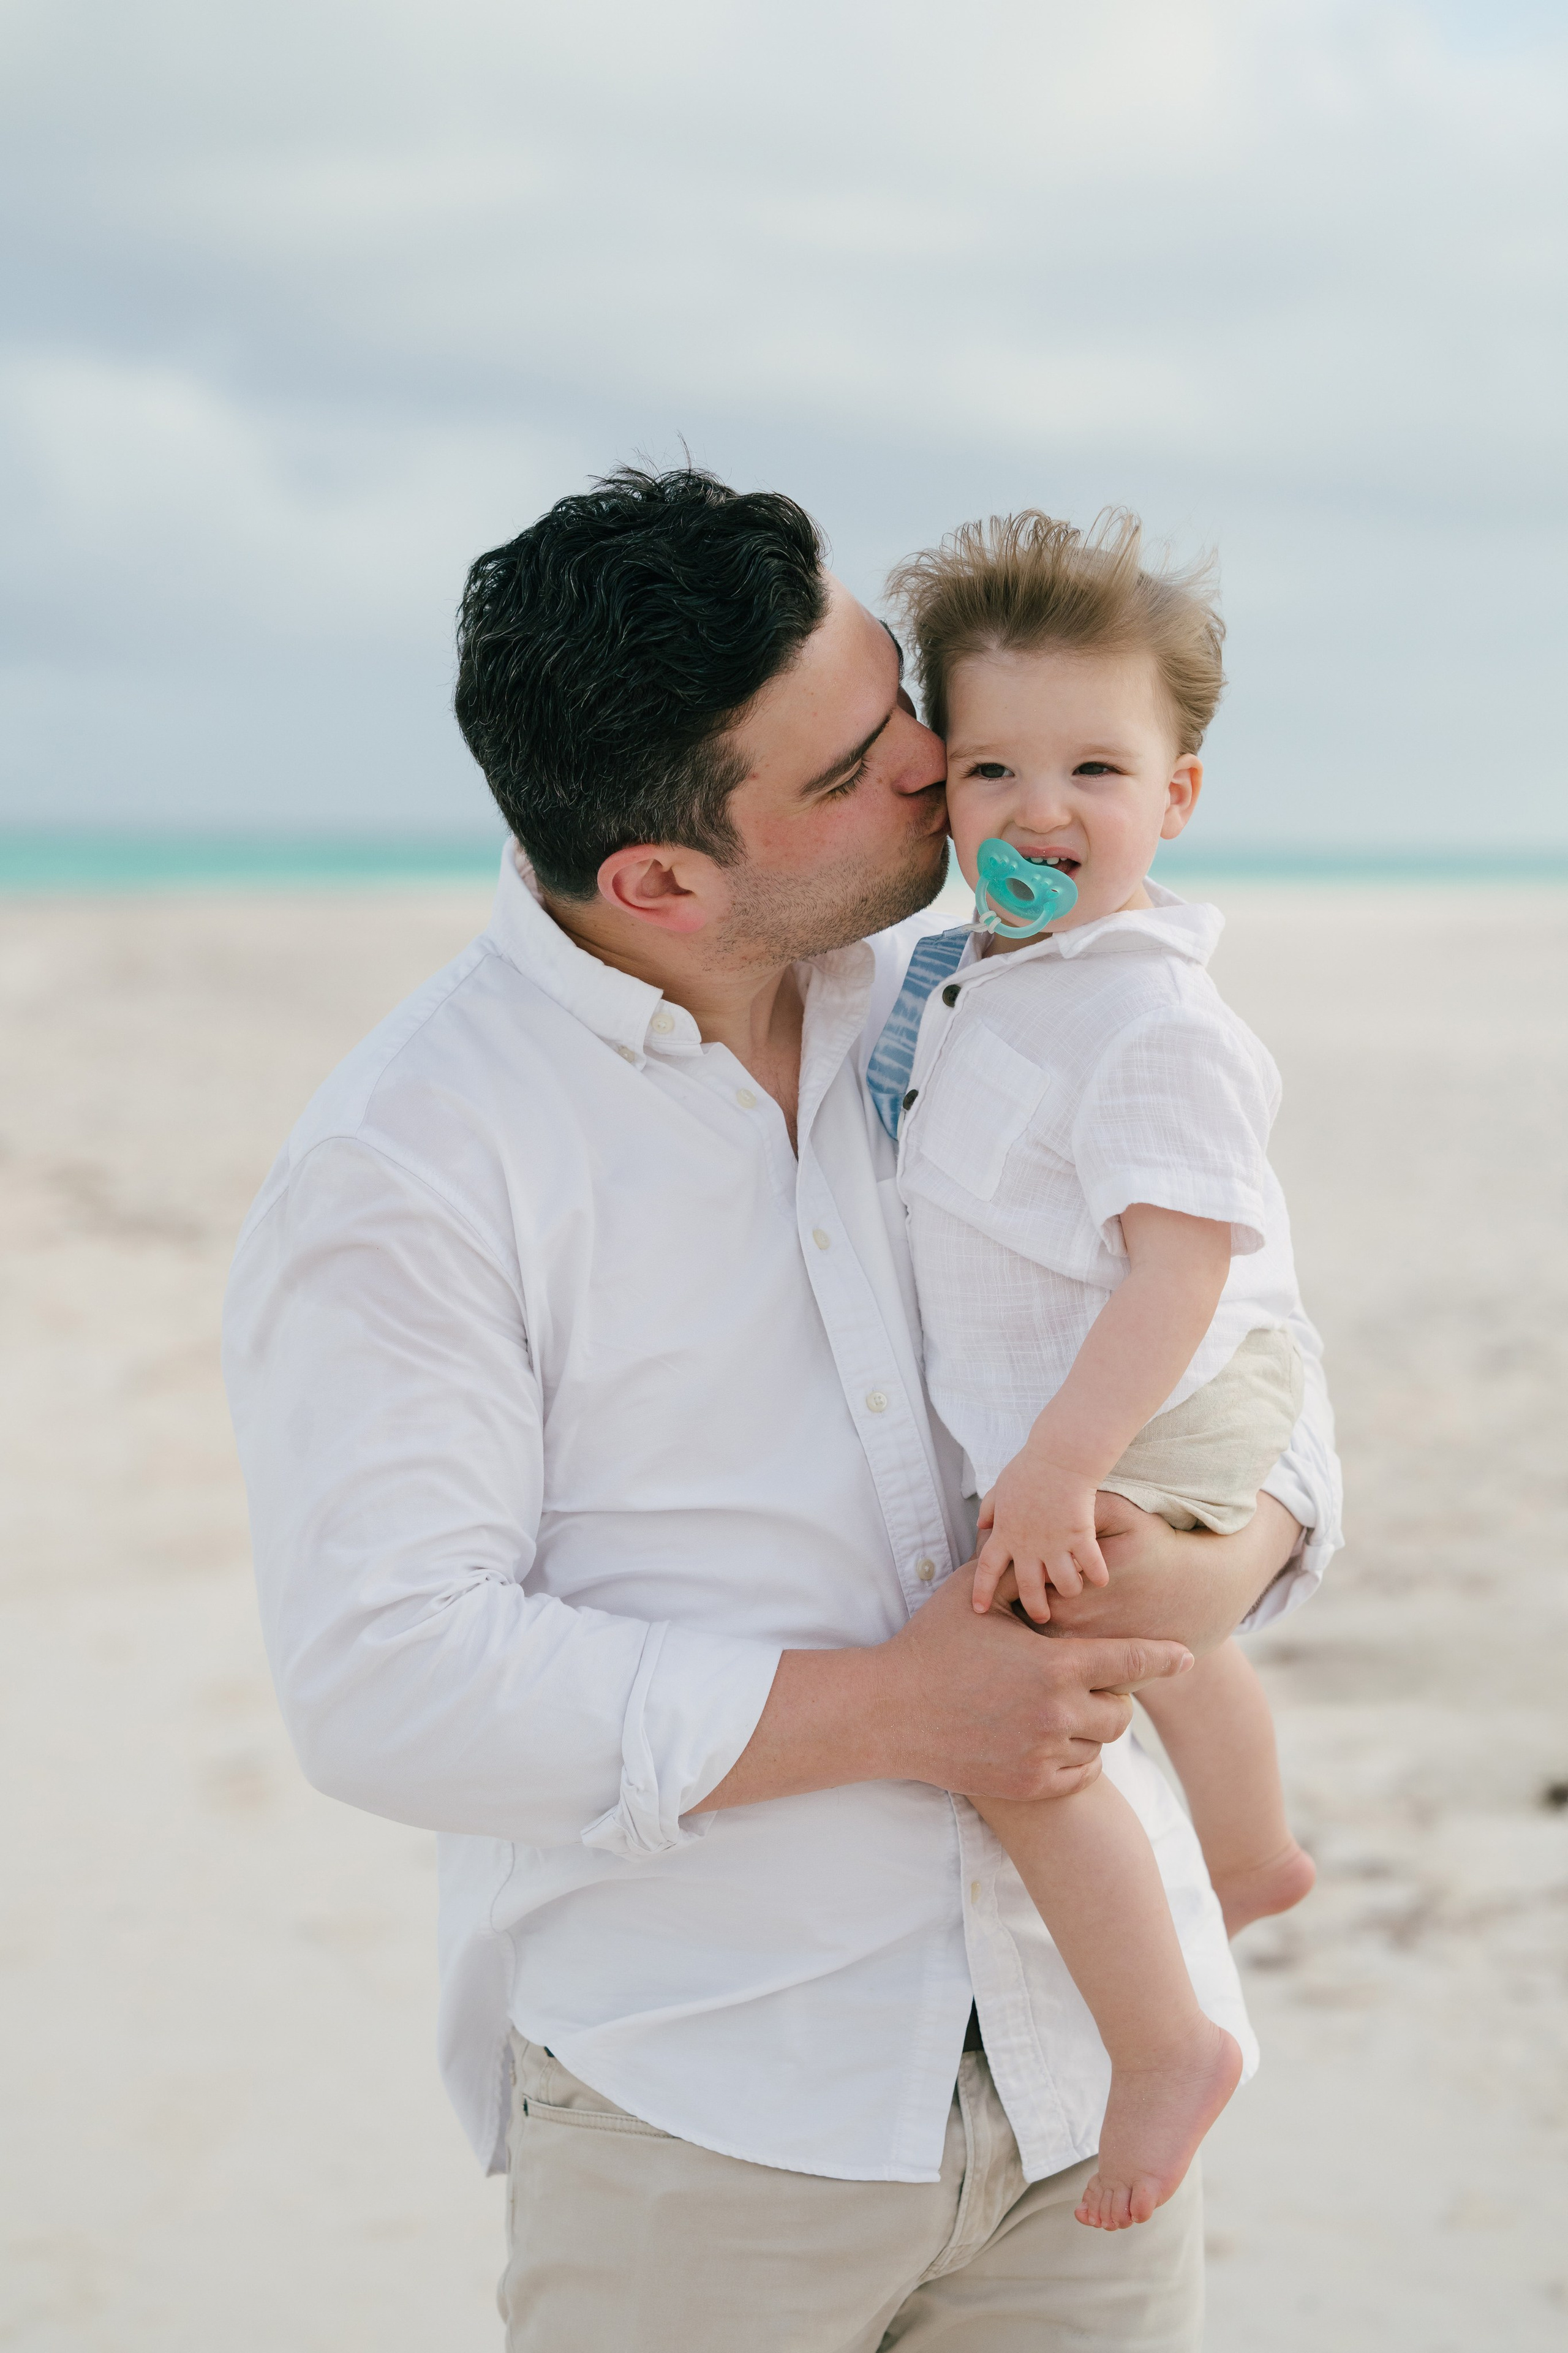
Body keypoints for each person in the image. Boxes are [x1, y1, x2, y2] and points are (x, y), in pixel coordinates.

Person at [222, 467, 1341, 2352]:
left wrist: (1237, 1551)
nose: (938, 762)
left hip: (1093, 2097)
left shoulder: (1014, 987)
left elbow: (1259, 1336)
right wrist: (901, 1708)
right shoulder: (411, 1162)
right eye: (858, 766)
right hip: (723, 2117)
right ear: (662, 879)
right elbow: (387, 1675)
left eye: (897, 692)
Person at [875, 510, 1320, 2237]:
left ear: (1179, 797)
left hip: (1163, 1388)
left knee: (1005, 1697)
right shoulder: (992, 975)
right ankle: (1255, 1839)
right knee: (1126, 1631)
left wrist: (1062, 1460)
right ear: (941, 789)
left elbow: (1186, 1268)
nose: (1039, 810)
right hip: (1121, 1399)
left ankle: (1162, 2039)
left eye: (1096, 768)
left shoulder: (1149, 1014)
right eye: (993, 765)